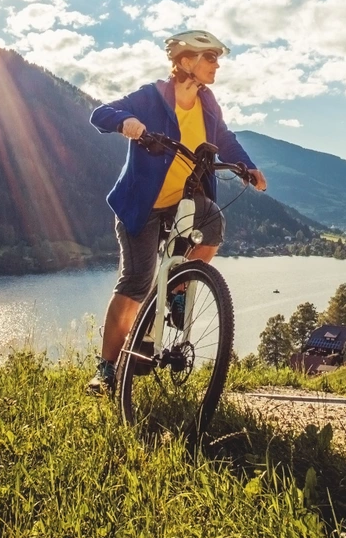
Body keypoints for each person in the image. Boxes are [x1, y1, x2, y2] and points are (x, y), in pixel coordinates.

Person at [86, 29, 267, 394]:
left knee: (213, 223)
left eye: (218, 58)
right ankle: (106, 369)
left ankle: (179, 288)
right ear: (186, 62)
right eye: (210, 57)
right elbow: (100, 114)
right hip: (142, 204)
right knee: (136, 281)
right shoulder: (151, 97)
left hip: (184, 198)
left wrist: (246, 166)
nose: (217, 65)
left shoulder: (208, 101)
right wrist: (126, 123)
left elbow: (225, 139)